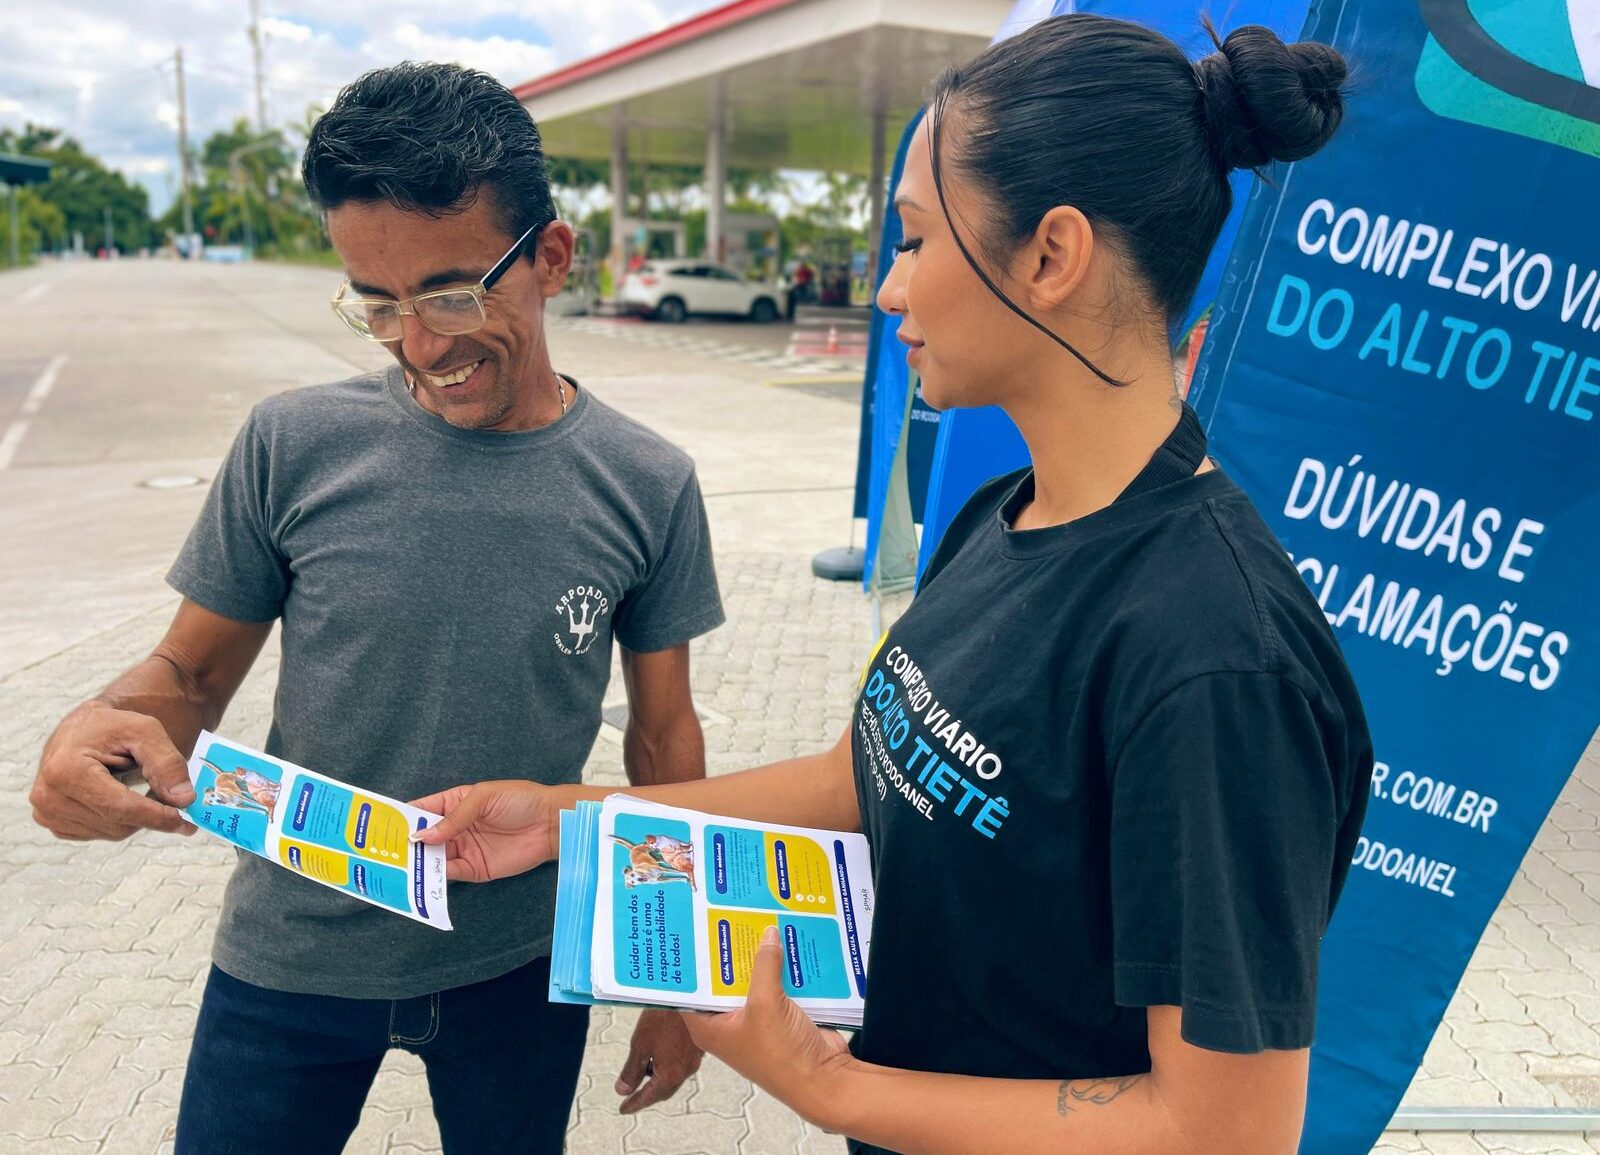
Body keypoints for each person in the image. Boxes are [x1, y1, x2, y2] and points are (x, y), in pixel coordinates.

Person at [415, 15, 1373, 1154]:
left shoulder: (1215, 657)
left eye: (913, 241)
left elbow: (1225, 1130)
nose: (885, 292)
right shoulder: (999, 514)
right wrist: (566, 822)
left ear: (1050, 255)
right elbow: (863, 781)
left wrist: (830, 1086)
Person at [29, 62, 725, 1154]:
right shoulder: (292, 444)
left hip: (520, 964)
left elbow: (661, 737)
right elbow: (192, 677)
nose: (419, 343)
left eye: (452, 293)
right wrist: (96, 724)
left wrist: (680, 979)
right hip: (290, 955)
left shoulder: (649, 482)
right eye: (378, 304)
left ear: (550, 257)